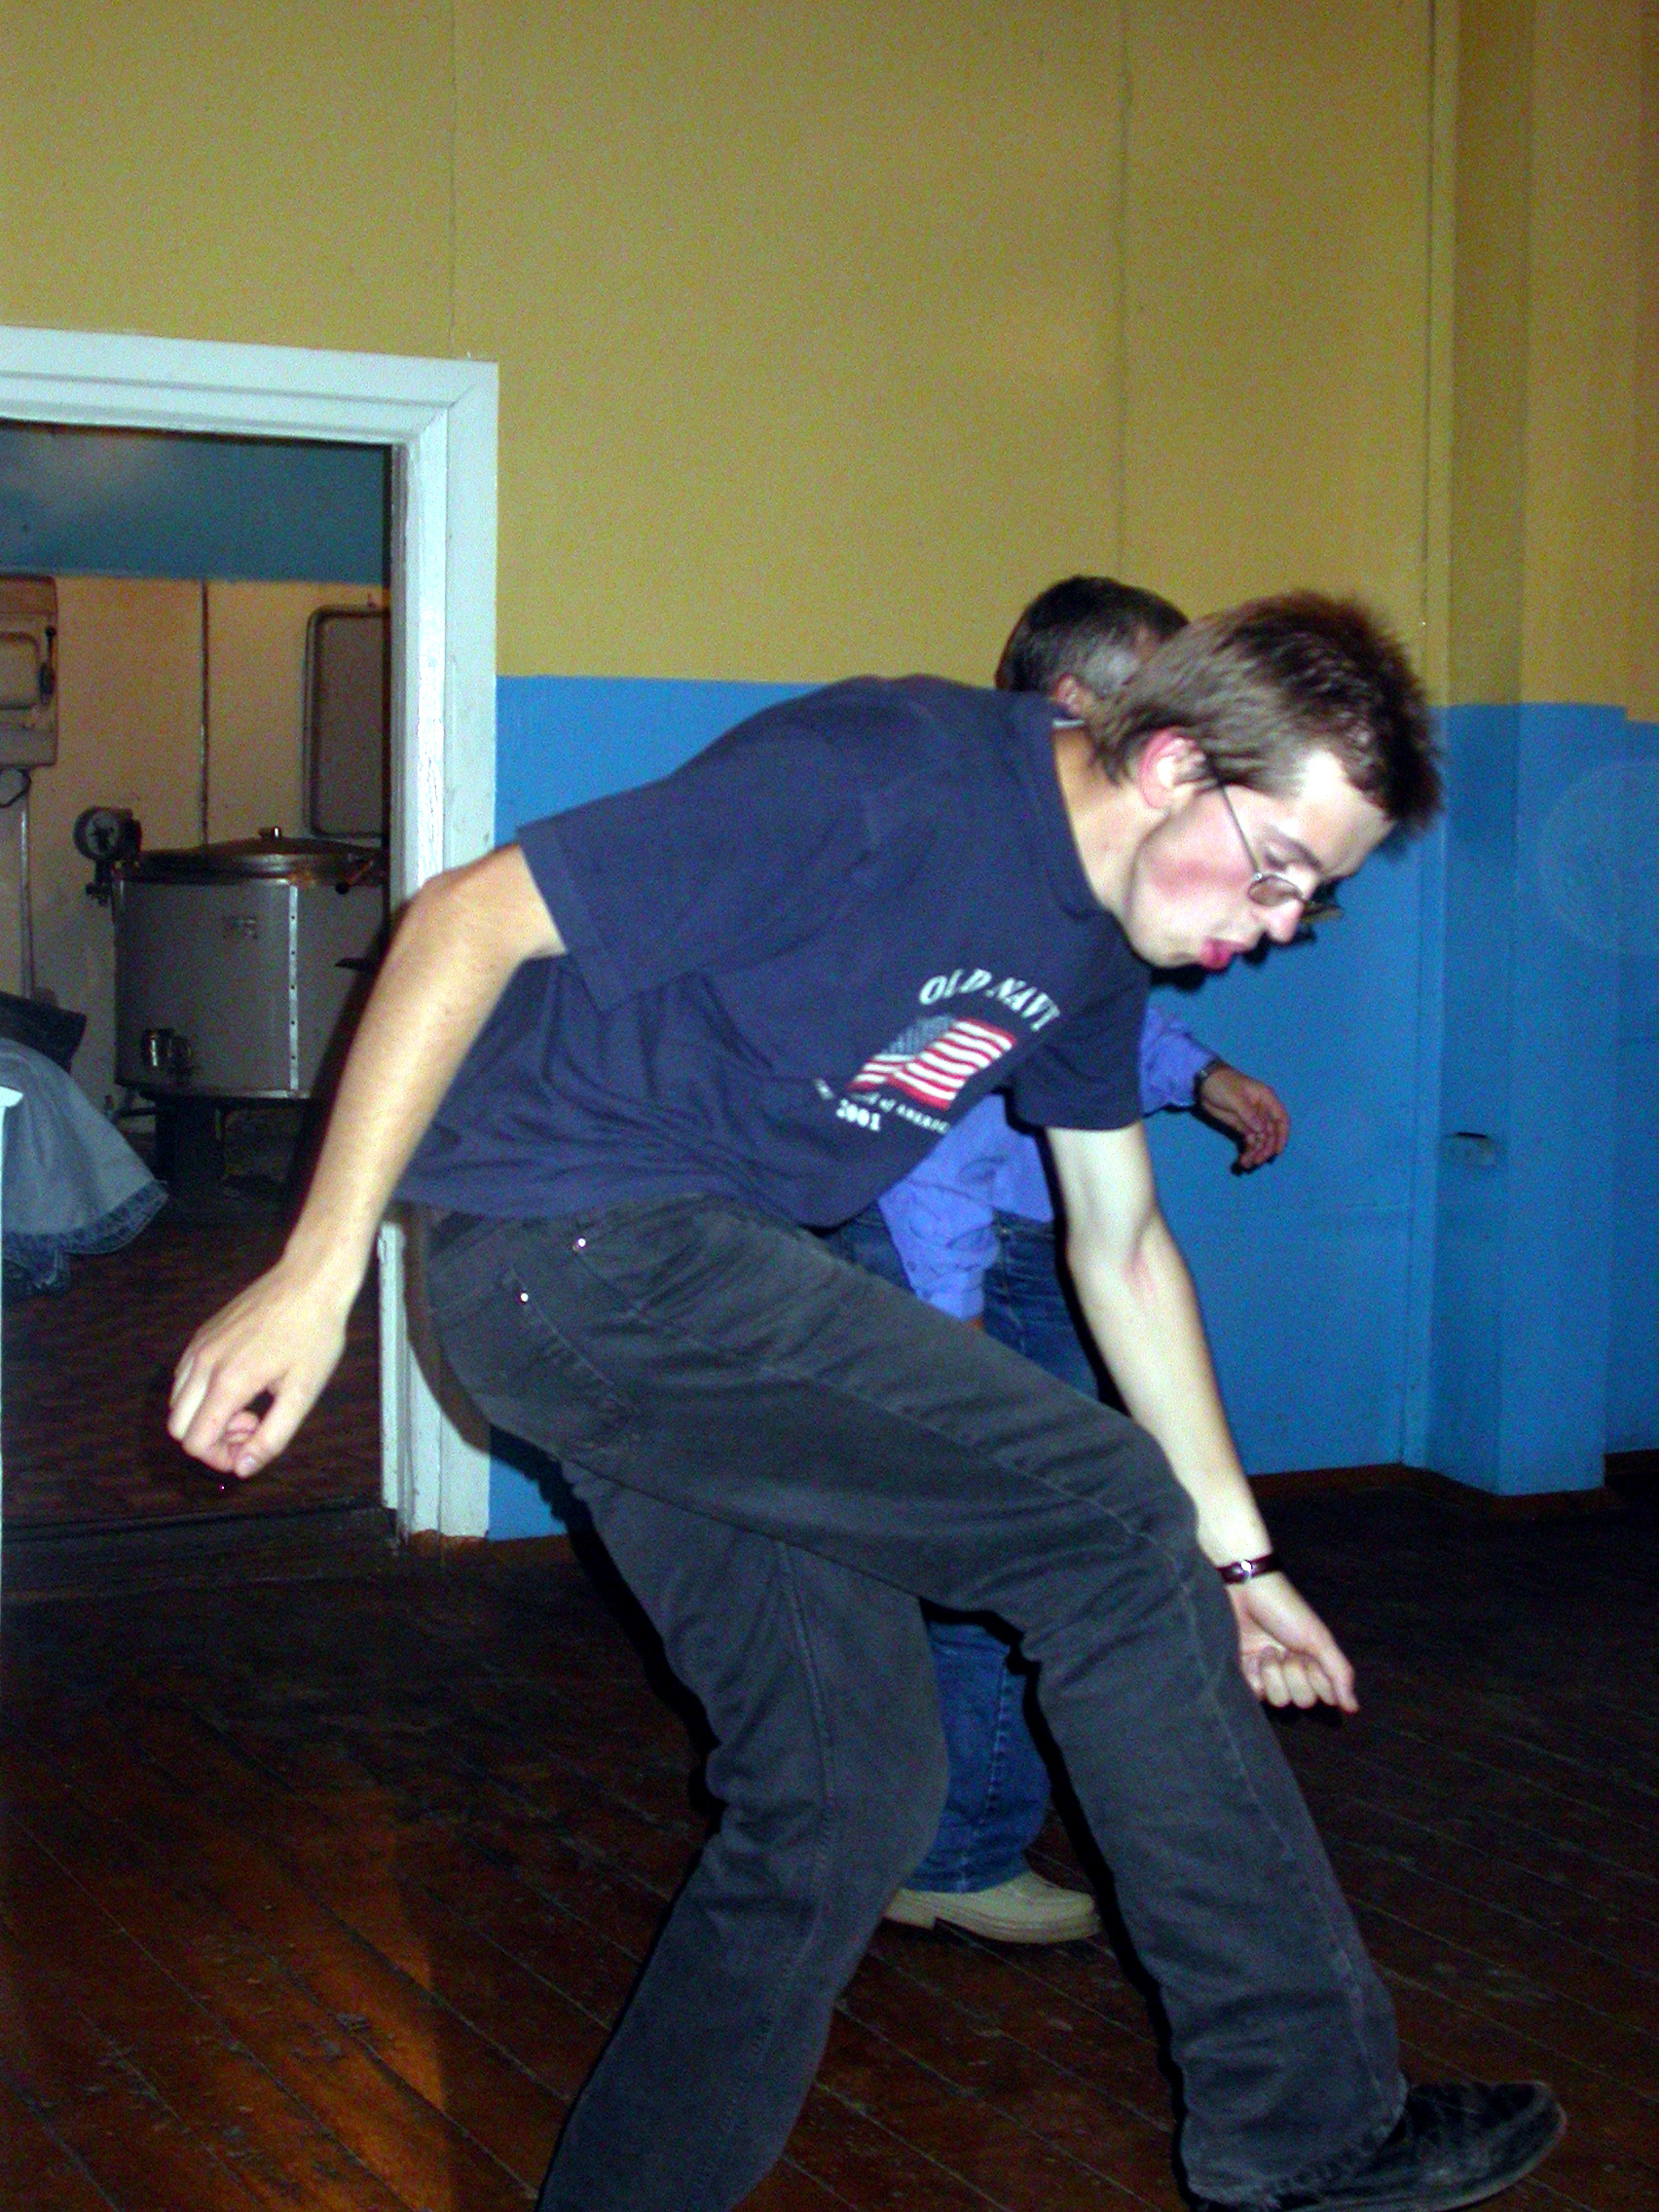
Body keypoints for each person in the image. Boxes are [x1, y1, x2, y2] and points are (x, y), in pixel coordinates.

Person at [168, 593, 1562, 2212]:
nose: (1277, 922)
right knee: (1115, 1531)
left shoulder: (1100, 949)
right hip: (587, 1249)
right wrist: (317, 1270)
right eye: (1276, 870)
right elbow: (466, 919)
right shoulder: (891, 771)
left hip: (690, 1283)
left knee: (848, 1787)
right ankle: (1305, 2127)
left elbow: (1120, 1242)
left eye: (1313, 898)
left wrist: (1245, 1564)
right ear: (1175, 764)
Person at [840, 577, 1292, 1946]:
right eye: (1173, 707)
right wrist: (948, 1321)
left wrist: (1199, 1074)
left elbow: (1092, 1028)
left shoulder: (1074, 869)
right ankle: (957, 1854)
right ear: (1073, 705)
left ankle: (907, 1834)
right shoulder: (977, 863)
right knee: (1020, 1547)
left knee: (994, 1543)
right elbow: (928, 1133)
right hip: (958, 1251)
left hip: (1022, 1244)